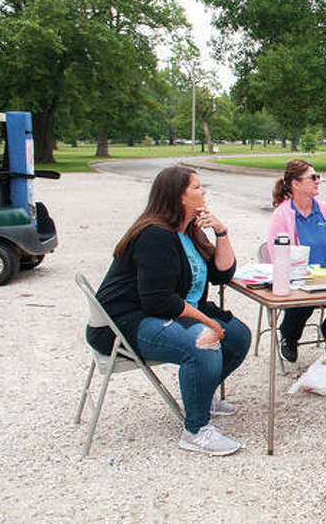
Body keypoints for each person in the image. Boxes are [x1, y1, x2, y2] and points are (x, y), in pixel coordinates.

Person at [87, 166, 251, 456]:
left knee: (238, 336)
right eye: (197, 187)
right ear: (179, 196)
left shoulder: (188, 231)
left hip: (166, 313)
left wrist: (221, 232)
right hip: (123, 324)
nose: (204, 192)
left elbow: (222, 274)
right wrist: (209, 324)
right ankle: (196, 430)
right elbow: (159, 302)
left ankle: (202, 393)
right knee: (204, 341)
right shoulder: (155, 235)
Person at [268, 159, 326, 363]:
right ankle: (289, 337)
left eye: (318, 177)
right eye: (313, 177)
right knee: (303, 302)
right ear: (296, 184)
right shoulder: (282, 215)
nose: (318, 181)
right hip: (297, 279)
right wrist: (301, 274)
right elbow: (275, 253)